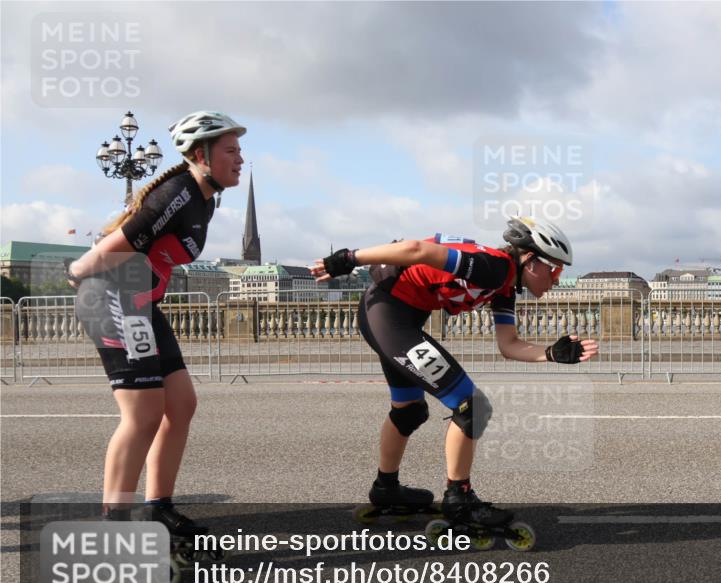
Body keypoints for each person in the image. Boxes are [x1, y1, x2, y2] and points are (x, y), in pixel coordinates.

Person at [311, 217, 599, 528]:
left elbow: (509, 344)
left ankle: (386, 489)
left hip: (395, 316)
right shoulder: (494, 266)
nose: (556, 279)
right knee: (472, 406)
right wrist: (347, 259)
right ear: (530, 261)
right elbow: (415, 249)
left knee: (410, 411)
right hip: (389, 315)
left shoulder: (504, 286)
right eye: (554, 269)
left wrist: (551, 353)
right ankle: (459, 499)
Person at [67, 111, 245, 535]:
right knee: (144, 414)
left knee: (181, 405)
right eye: (231, 151)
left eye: (240, 151)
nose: (240, 159)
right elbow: (108, 250)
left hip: (141, 304)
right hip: (112, 294)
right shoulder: (177, 194)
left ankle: (158, 505)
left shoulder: (203, 197)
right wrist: (77, 273)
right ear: (201, 155)